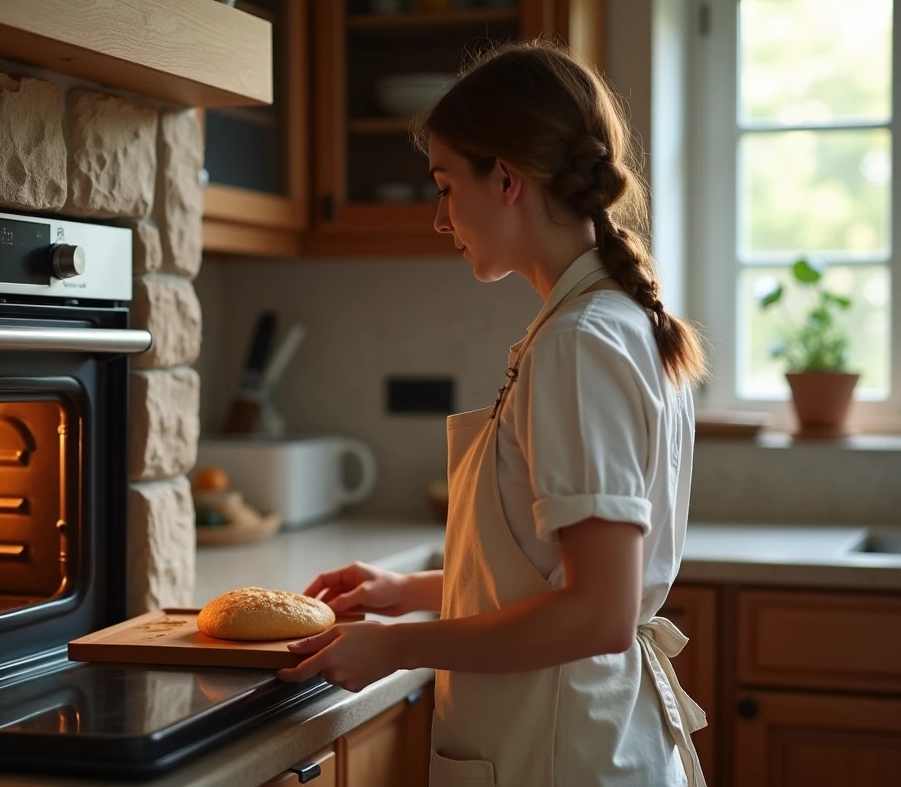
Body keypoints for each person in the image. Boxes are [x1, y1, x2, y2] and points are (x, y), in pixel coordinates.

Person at [276, 40, 708, 787]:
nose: (442, 219)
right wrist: (405, 591)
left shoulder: (580, 342)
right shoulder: (602, 322)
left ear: (505, 179)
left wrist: (399, 647)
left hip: (563, 755)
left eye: (446, 186)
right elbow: (548, 578)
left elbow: (596, 613)